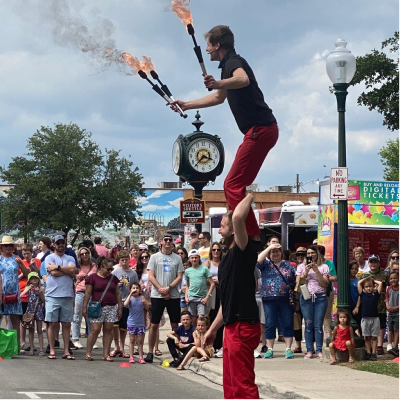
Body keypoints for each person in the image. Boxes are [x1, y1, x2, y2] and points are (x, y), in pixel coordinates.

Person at [172, 26, 277, 243]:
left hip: (260, 130)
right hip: (261, 131)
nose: (207, 49)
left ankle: (251, 239)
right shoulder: (226, 65)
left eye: (209, 45)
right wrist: (187, 105)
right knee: (236, 186)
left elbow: (243, 79)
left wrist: (218, 82)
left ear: (217, 45)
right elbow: (219, 97)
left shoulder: (232, 61)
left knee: (231, 185)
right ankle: (249, 235)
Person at [203, 194, 260, 400]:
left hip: (243, 326)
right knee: (230, 382)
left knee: (242, 384)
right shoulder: (226, 260)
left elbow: (237, 217)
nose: (219, 230)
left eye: (223, 226)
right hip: (231, 326)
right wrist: (212, 330)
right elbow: (225, 303)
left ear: (235, 230)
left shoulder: (243, 251)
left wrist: (247, 193)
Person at [145, 233, 184, 363]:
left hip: (173, 295)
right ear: (161, 242)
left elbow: (179, 277)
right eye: (165, 240)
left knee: (174, 324)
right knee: (154, 324)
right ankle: (150, 352)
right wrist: (161, 289)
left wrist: (169, 288)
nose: (168, 242)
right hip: (157, 295)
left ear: (172, 243)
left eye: (170, 240)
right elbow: (151, 276)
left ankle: (177, 351)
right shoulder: (154, 257)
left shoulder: (177, 258)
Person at [257, 243, 296, 359]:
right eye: (272, 252)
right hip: (269, 298)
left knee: (288, 322)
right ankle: (270, 348)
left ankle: (288, 348)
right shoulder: (266, 264)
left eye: (277, 251)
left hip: (285, 298)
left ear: (281, 253)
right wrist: (269, 247)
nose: (275, 254)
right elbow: (258, 260)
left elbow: (294, 281)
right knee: (270, 323)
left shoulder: (288, 265)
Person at [43, 235, 78, 360]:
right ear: (54, 244)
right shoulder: (49, 257)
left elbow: (73, 270)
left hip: (67, 294)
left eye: (62, 242)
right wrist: (68, 271)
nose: (61, 245)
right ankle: (52, 349)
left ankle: (66, 351)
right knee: (52, 323)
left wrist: (58, 267)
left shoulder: (70, 257)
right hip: (52, 295)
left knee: (66, 324)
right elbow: (53, 273)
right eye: (58, 243)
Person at [83, 257, 123, 361]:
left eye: (111, 269)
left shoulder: (113, 278)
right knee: (95, 330)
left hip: (112, 306)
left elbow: (118, 293)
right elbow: (87, 293)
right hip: (97, 307)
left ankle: (106, 354)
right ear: (101, 267)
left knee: (108, 330)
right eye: (108, 269)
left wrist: (120, 307)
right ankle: (88, 352)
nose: (110, 271)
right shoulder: (92, 278)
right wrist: (84, 306)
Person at [296, 245, 330, 360]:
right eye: (308, 253)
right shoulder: (301, 266)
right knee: (308, 324)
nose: (310, 255)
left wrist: (316, 270)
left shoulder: (324, 267)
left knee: (318, 325)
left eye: (313, 253)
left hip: (320, 297)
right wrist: (306, 271)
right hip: (306, 297)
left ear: (317, 254)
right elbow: (298, 283)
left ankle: (319, 350)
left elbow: (324, 284)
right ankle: (309, 350)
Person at [0, 236, 31, 348]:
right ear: (2, 247)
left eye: (10, 245)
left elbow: (27, 275)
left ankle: (15, 346)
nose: (8, 247)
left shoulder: (16, 259)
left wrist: (22, 265)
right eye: (5, 245)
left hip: (14, 293)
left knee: (15, 321)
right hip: (1, 293)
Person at [110, 250, 138, 358]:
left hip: (127, 301)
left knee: (123, 327)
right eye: (122, 260)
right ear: (119, 261)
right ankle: (116, 346)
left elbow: (135, 286)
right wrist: (116, 284)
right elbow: (110, 285)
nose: (124, 262)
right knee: (114, 325)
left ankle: (122, 347)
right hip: (116, 301)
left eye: (126, 259)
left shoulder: (133, 273)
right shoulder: (115, 272)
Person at [360, 254, 388, 355]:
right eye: (371, 262)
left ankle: (379, 346)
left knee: (381, 324)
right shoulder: (364, 275)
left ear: (379, 263)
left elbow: (388, 286)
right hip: (368, 305)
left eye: (376, 262)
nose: (373, 264)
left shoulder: (384, 275)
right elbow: (360, 287)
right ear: (369, 263)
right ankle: (369, 348)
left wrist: (387, 299)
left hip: (380, 304)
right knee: (368, 328)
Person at [71, 247, 97, 349]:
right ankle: (75, 339)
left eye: (86, 253)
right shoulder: (78, 266)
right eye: (82, 254)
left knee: (90, 317)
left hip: (91, 292)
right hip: (80, 292)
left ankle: (91, 340)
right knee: (77, 316)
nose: (84, 255)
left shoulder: (94, 265)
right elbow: (74, 276)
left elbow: (95, 276)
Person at [354, 277, 383, 361]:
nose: (368, 288)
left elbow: (380, 284)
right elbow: (359, 283)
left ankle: (374, 353)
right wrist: (366, 279)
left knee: (374, 337)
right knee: (367, 337)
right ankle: (368, 352)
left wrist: (372, 280)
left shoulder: (376, 294)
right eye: (366, 287)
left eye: (370, 286)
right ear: (364, 288)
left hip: (375, 318)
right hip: (365, 318)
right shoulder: (362, 294)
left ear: (373, 286)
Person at [204, 242, 224, 357]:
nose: (216, 252)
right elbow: (202, 277)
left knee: (220, 317)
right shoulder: (208, 263)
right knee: (211, 316)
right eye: (214, 250)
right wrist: (212, 282)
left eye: (218, 250)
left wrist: (219, 281)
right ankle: (210, 344)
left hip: (221, 290)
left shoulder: (223, 263)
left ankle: (219, 344)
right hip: (211, 292)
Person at [19, 244, 41, 352]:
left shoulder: (37, 261)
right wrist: (25, 271)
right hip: (24, 291)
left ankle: (32, 344)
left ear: (31, 252)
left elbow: (40, 275)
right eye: (24, 253)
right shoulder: (21, 262)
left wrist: (34, 267)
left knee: (33, 320)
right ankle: (23, 342)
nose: (26, 255)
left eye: (28, 253)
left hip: (34, 295)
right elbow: (18, 276)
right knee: (24, 319)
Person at [184, 249, 215, 325]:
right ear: (189, 259)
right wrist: (186, 296)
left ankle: (202, 335)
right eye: (192, 258)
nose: (194, 259)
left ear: (199, 258)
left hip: (201, 298)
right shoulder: (188, 271)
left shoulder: (204, 269)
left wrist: (207, 297)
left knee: (201, 319)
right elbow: (188, 285)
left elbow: (212, 284)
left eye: (196, 257)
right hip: (191, 297)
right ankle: (194, 335)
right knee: (193, 320)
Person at [20, 272, 46, 356]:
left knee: (39, 330)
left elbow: (44, 300)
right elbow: (21, 295)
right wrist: (26, 290)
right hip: (30, 310)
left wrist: (40, 294)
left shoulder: (41, 288)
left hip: (38, 310)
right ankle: (31, 348)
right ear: (29, 280)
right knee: (31, 329)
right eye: (32, 278)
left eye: (35, 278)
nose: (34, 280)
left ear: (38, 279)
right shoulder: (28, 288)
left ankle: (41, 349)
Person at [124, 282, 149, 364]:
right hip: (132, 323)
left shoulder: (142, 297)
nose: (135, 289)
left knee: (140, 341)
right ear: (130, 290)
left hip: (140, 323)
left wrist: (145, 303)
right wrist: (130, 294)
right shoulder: (130, 298)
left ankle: (141, 357)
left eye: (137, 288)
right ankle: (131, 357)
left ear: (140, 290)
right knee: (132, 340)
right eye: (133, 288)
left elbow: (147, 308)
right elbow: (125, 304)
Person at [318, 245, 337, 339]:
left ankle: (328, 336)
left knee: (327, 315)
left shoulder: (329, 263)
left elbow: (334, 277)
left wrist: (323, 278)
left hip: (327, 291)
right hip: (313, 292)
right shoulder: (310, 263)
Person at [385, 271, 400, 357]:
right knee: (390, 328)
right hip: (390, 313)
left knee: (397, 329)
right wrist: (388, 306)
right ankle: (391, 345)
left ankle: (395, 347)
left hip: (398, 312)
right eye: (391, 278)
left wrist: (394, 308)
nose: (393, 280)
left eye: (395, 278)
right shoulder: (389, 289)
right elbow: (387, 298)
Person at [349, 261, 361, 333]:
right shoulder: (345, 280)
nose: (354, 270)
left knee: (359, 324)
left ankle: (362, 339)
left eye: (356, 269)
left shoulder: (358, 281)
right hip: (348, 305)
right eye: (352, 268)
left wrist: (357, 307)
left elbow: (360, 295)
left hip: (356, 305)